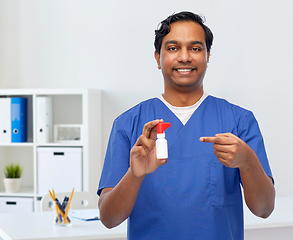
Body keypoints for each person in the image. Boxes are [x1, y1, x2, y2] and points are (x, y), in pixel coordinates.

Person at [97, 11, 275, 240]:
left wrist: (248, 162)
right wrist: (135, 174)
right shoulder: (128, 124)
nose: (184, 57)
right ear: (157, 57)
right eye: (172, 48)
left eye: (195, 48)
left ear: (208, 55)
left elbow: (264, 209)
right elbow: (109, 219)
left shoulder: (238, 122)